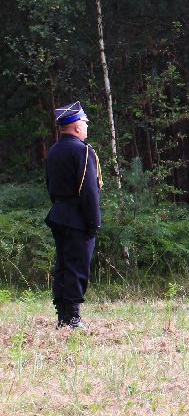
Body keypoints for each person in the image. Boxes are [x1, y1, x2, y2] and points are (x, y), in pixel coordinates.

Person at [45, 101, 102, 329]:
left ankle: (63, 316)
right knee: (78, 267)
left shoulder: (54, 150)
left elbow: (50, 185)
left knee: (63, 266)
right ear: (77, 126)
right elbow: (88, 191)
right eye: (85, 123)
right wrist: (94, 221)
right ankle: (73, 318)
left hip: (59, 213)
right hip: (78, 217)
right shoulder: (83, 151)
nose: (87, 127)